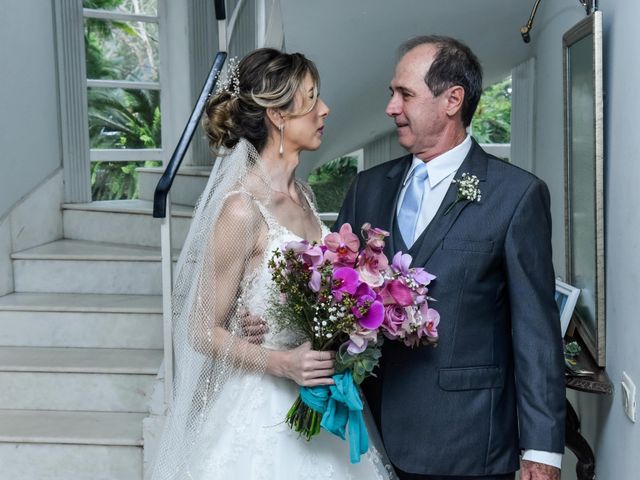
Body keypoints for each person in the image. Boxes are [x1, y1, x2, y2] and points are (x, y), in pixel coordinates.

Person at [148, 48, 394, 480]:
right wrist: (280, 363)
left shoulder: (305, 196)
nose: (325, 109)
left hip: (319, 398)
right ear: (279, 116)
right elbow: (200, 330)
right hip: (262, 409)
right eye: (313, 98)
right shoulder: (242, 209)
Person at [335, 36, 566, 480]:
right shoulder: (367, 188)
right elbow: (335, 292)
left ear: (451, 100)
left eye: (405, 94)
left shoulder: (516, 196)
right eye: (392, 93)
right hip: (364, 437)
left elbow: (536, 331)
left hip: (466, 442)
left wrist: (542, 450)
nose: (391, 107)